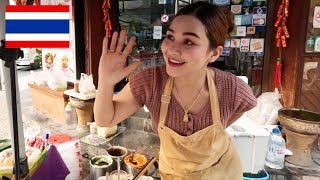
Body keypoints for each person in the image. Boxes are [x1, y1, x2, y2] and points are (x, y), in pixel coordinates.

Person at [94, 1, 257, 179]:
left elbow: (247, 104)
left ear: (214, 53)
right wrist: (105, 82)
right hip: (173, 174)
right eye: (170, 37)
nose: (172, 49)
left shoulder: (230, 88)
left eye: (188, 41)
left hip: (222, 172)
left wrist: (220, 124)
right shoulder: (151, 82)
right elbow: (105, 120)